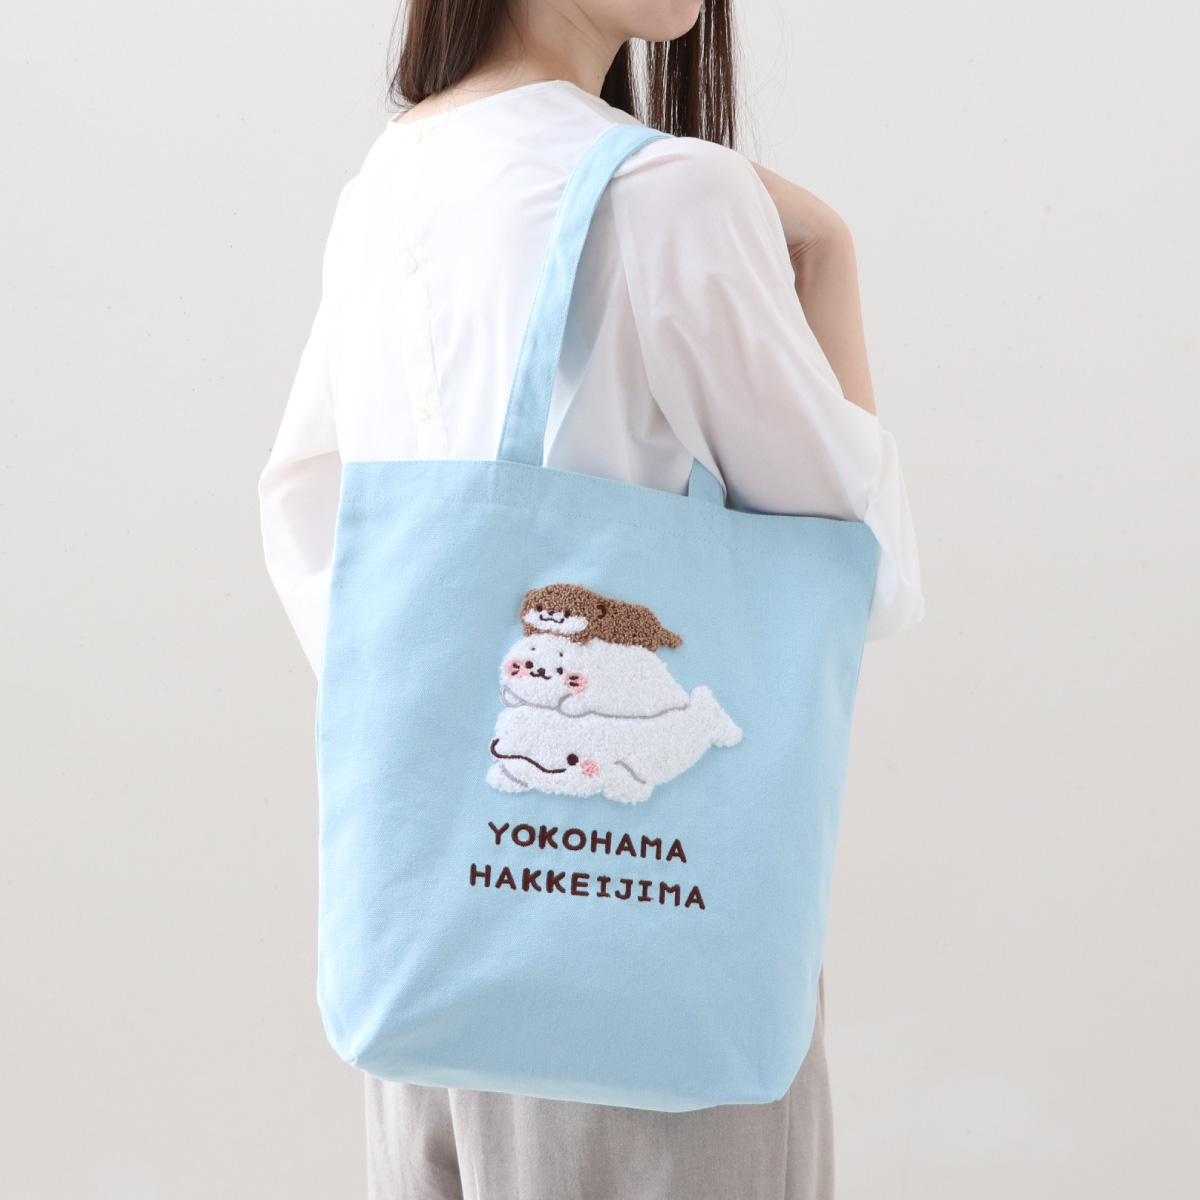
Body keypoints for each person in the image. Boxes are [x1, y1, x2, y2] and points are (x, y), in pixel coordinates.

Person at [258, 0, 924, 1195]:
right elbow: (854, 571)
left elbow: (315, 530)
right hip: (655, 961)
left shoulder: (386, 185)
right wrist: (829, 257)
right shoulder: (677, 196)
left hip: (428, 959)